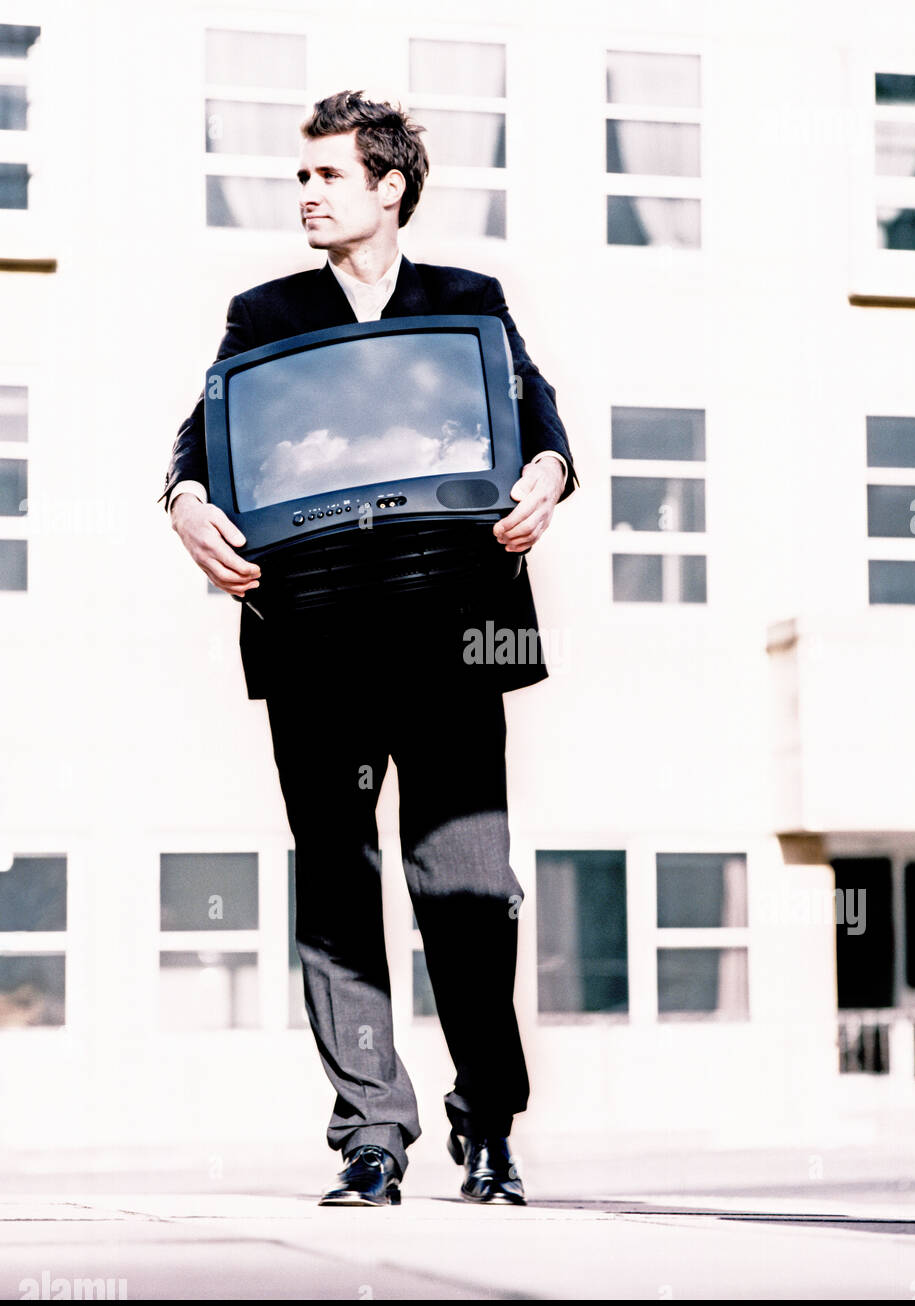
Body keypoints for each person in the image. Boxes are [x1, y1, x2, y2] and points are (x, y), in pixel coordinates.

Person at [160, 91, 577, 1207]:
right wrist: (185, 495)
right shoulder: (263, 314)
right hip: (314, 642)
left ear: (388, 188)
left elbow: (537, 424)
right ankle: (371, 1136)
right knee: (339, 891)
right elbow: (204, 437)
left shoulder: (467, 303)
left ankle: (487, 1120)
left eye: (326, 177)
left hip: (455, 639)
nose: (304, 195)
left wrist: (548, 475)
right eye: (300, 178)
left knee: (472, 891)